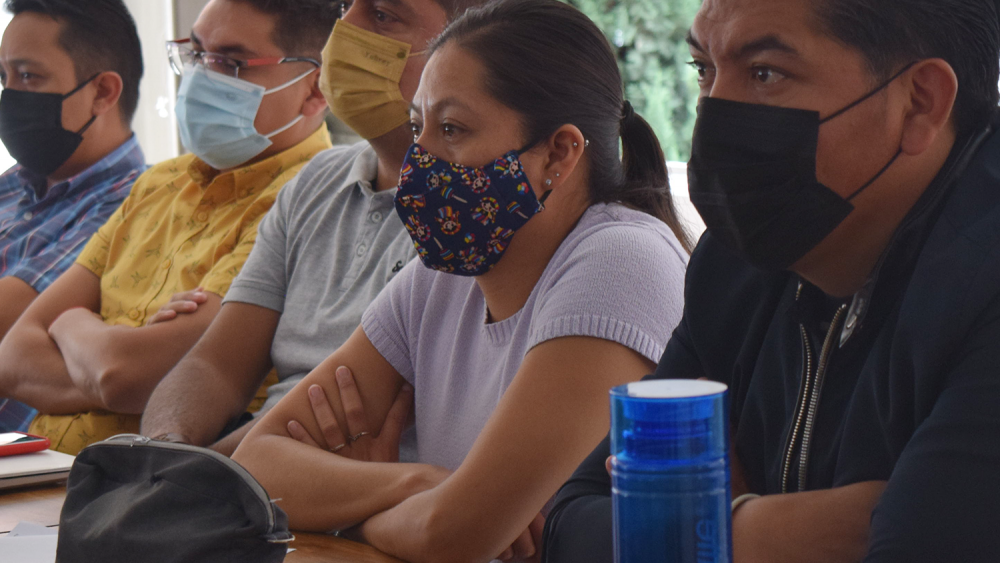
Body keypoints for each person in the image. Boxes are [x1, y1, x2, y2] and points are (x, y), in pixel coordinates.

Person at [232, 1, 691, 561]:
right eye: (417, 126)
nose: (418, 158)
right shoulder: (442, 277)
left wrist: (346, 515)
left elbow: (453, 535)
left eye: (451, 129)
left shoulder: (622, 261)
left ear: (559, 153)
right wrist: (415, 483)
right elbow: (257, 465)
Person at [542, 0, 1000, 562]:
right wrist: (749, 530)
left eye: (765, 74)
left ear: (919, 103)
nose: (713, 114)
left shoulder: (983, 284)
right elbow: (571, 524)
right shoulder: (738, 264)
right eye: (704, 69)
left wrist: (673, 519)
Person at [140, 0, 488, 456]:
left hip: (337, 490)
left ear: (468, 45)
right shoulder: (316, 182)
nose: (342, 31)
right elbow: (215, 366)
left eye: (383, 16)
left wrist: (196, 478)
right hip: (250, 473)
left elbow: (341, 406)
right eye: (345, 7)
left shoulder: (475, 211)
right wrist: (164, 449)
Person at [0, 0, 336, 455]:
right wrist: (110, 355)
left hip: (149, 485)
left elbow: (127, 374)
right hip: (44, 474)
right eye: (196, 54)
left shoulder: (307, 201)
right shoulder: (159, 183)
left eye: (231, 63)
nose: (200, 77)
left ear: (314, 88)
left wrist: (70, 323)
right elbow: (13, 357)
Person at [0, 0, 146, 433]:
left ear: (102, 92)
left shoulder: (133, 206)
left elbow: (8, 322)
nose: (10, 95)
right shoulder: (14, 184)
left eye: (29, 76)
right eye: (4, 77)